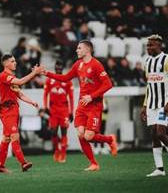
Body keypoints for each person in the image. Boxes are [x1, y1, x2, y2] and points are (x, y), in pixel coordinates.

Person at [43, 40, 117, 171]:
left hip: (95, 105)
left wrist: (92, 96)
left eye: (79, 48)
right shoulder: (78, 64)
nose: (76, 50)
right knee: (81, 134)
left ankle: (110, 139)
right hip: (82, 105)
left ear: (87, 50)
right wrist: (46, 73)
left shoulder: (96, 65)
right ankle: (94, 164)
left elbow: (108, 84)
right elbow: (65, 77)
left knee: (89, 136)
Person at [0, 54, 44, 173]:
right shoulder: (3, 76)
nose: (15, 63)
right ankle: (23, 163)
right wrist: (34, 73)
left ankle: (0, 166)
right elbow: (21, 81)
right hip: (7, 110)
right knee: (14, 136)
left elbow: (19, 94)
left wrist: (32, 102)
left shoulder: (11, 76)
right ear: (5, 64)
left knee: (6, 138)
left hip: (13, 110)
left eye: (15, 61)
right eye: (12, 61)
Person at [140, 34, 168, 177]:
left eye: (151, 45)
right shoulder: (148, 62)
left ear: (159, 45)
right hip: (152, 104)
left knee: (161, 133)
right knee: (154, 136)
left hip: (165, 104)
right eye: (147, 45)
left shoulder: (167, 60)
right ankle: (160, 169)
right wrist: (145, 106)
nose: (148, 47)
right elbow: (149, 86)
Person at [43, 60, 74, 163]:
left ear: (62, 68)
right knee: (53, 132)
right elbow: (45, 94)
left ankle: (63, 154)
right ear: (55, 67)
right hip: (53, 110)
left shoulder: (67, 81)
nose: (58, 69)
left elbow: (71, 97)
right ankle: (56, 150)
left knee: (64, 132)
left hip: (64, 110)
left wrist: (71, 112)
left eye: (60, 67)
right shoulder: (49, 80)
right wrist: (45, 107)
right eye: (57, 67)